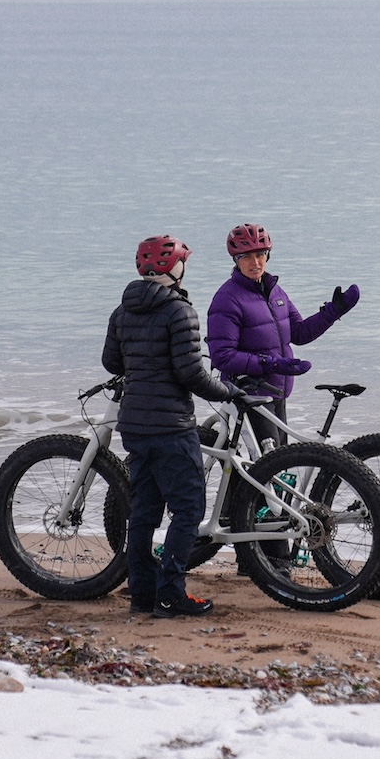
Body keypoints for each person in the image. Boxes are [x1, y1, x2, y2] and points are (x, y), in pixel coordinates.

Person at [102, 234, 243, 619]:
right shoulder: (179, 311)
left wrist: (142, 367)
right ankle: (171, 595)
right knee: (188, 509)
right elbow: (191, 373)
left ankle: (142, 595)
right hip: (171, 426)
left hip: (135, 425)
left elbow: (111, 363)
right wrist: (228, 390)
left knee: (144, 511)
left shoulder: (123, 309)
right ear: (175, 268)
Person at [206, 223, 360, 450]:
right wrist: (272, 363)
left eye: (260, 254)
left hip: (277, 392)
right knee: (267, 471)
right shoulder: (227, 299)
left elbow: (298, 332)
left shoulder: (274, 291)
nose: (255, 262)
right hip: (249, 395)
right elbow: (222, 357)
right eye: (246, 257)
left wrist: (333, 312)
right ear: (235, 260)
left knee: (279, 468)